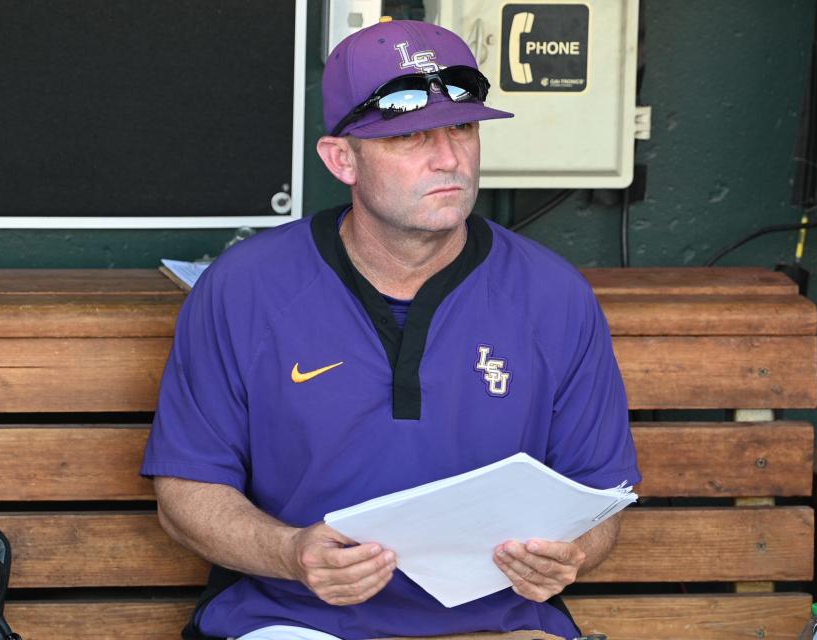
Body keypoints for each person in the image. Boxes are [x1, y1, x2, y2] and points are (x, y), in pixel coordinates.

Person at [141, 18, 640, 640]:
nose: (449, 156)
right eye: (409, 136)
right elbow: (187, 495)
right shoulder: (247, 287)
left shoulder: (553, 295)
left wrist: (571, 554)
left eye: (461, 126)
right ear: (341, 158)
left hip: (498, 625)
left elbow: (600, 500)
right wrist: (292, 552)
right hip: (293, 620)